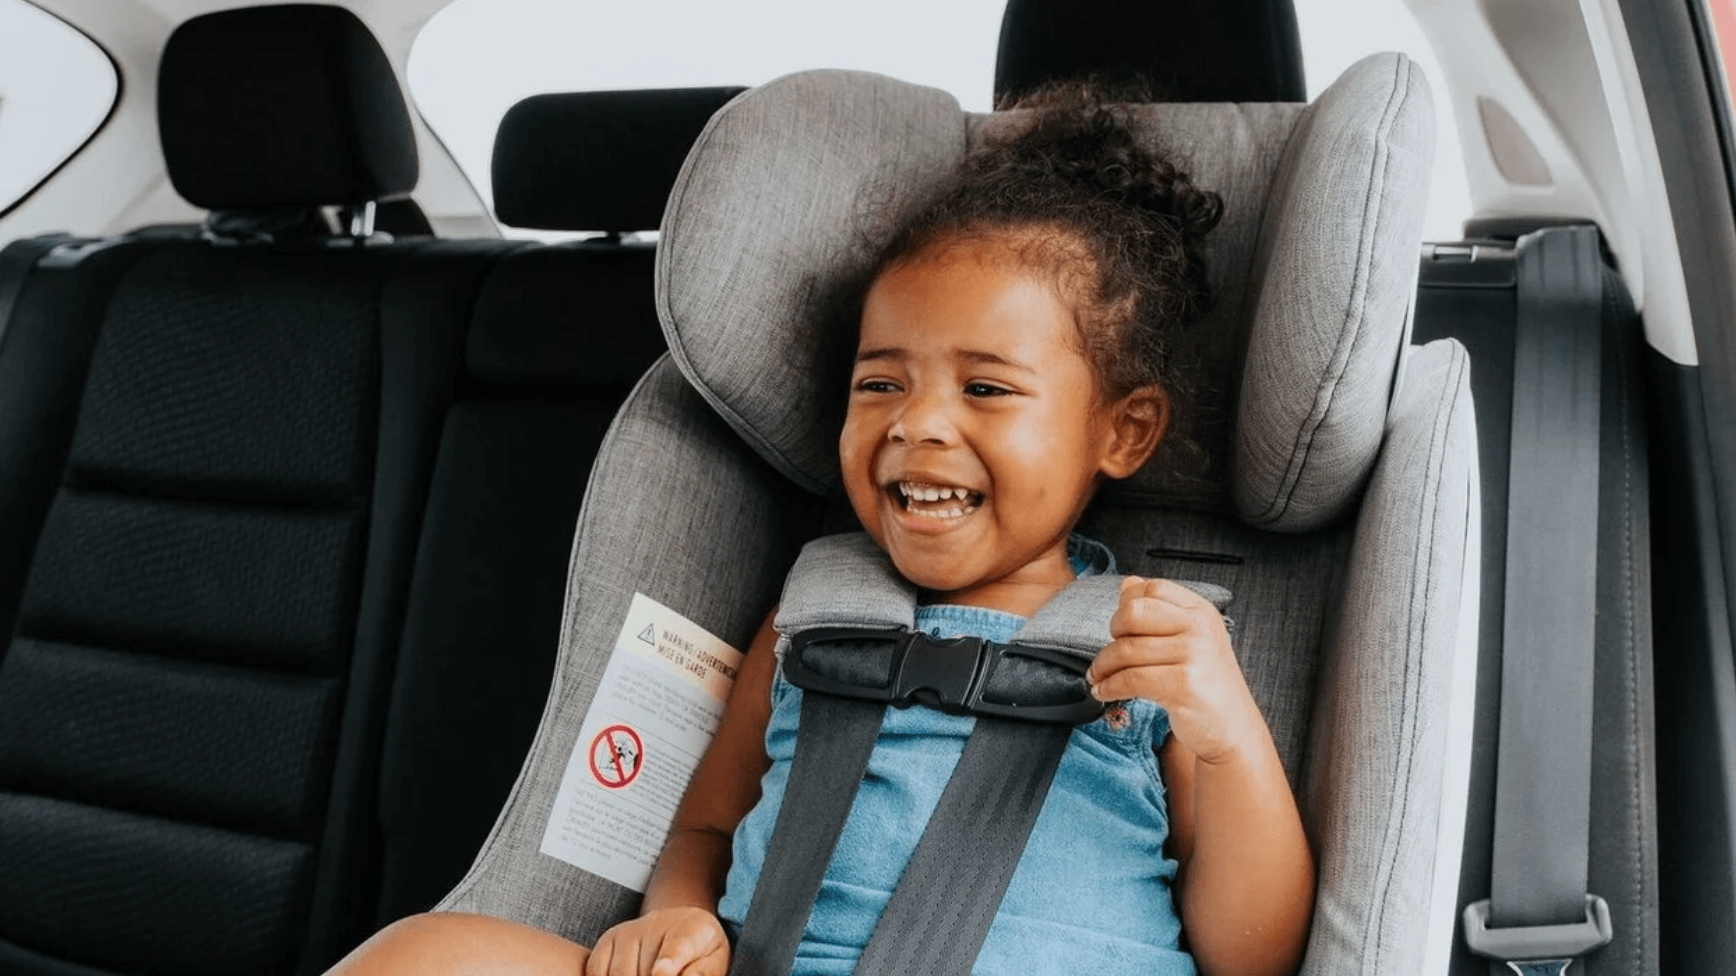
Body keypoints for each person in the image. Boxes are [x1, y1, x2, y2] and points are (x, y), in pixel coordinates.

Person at [331, 84, 1314, 976]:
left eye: (984, 388)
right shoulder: (811, 613)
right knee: (423, 953)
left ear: (1122, 430)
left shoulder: (1151, 651)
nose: (917, 422)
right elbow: (707, 824)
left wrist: (1222, 730)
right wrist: (680, 917)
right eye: (879, 382)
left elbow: (1251, 953)